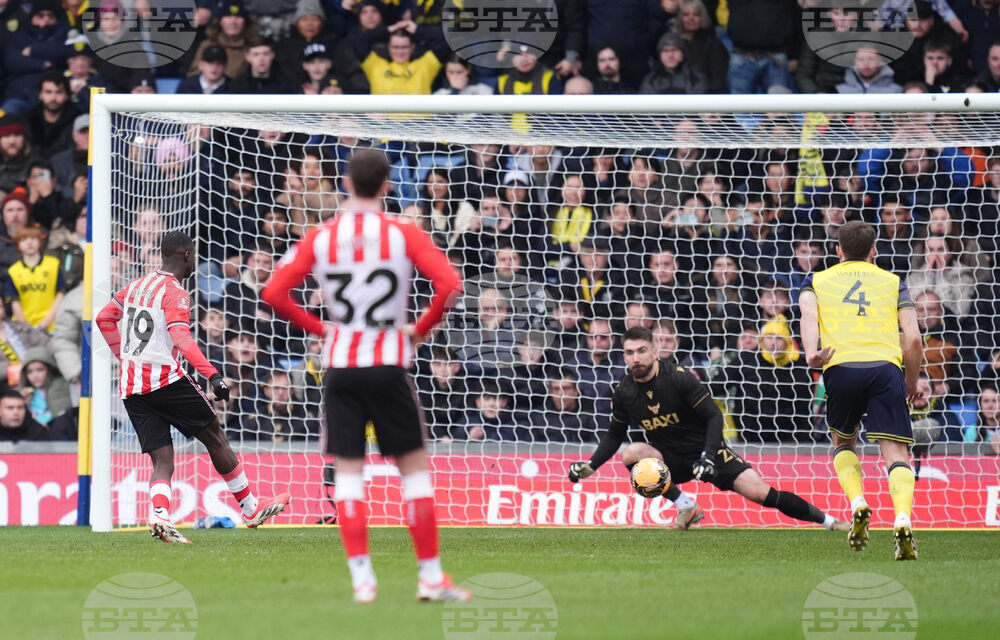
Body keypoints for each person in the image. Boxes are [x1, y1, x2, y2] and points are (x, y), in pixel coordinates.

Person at [261, 149, 470, 603]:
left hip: (341, 368)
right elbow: (451, 284)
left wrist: (321, 329)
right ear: (388, 185)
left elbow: (273, 292)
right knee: (414, 473)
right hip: (387, 364)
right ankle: (430, 577)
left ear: (346, 183)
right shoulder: (404, 231)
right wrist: (420, 328)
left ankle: (362, 581)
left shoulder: (321, 236)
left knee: (349, 476)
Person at [95, 231, 289, 544]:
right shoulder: (176, 293)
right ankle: (251, 508)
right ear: (187, 255)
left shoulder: (136, 286)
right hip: (166, 380)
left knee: (162, 459)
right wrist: (214, 376)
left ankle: (160, 515)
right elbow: (182, 338)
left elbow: (104, 318)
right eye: (194, 254)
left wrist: (124, 356)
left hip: (132, 386)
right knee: (215, 436)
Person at [568, 326, 848, 532]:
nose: (636, 358)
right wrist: (591, 466)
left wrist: (709, 456)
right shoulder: (624, 392)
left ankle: (829, 522)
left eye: (642, 351)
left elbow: (714, 416)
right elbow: (614, 434)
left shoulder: (678, 378)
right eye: (630, 353)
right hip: (672, 460)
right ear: (624, 357)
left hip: (709, 452)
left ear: (654, 351)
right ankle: (686, 505)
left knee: (763, 493)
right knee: (632, 453)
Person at [798, 220, 924, 560]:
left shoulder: (816, 280)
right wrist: (911, 384)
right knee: (896, 454)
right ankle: (902, 519)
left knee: (843, 443)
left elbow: (808, 316)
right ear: (874, 251)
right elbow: (913, 338)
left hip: (840, 367)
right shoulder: (894, 282)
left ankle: (857, 503)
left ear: (838, 250)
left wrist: (811, 353)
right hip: (885, 369)